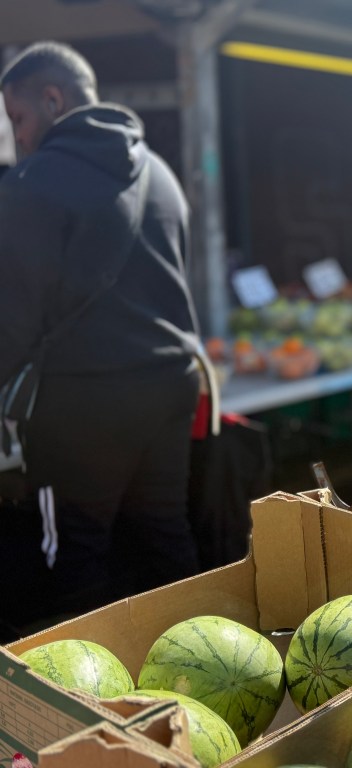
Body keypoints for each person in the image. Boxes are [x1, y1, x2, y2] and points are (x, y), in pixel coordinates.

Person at [0, 42, 202, 624]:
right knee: (165, 534)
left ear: (54, 99)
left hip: (80, 403)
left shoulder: (31, 181)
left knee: (74, 555)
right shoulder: (159, 172)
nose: (18, 136)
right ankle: (198, 674)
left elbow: (12, 319)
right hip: (170, 383)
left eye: (18, 118)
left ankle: (90, 706)